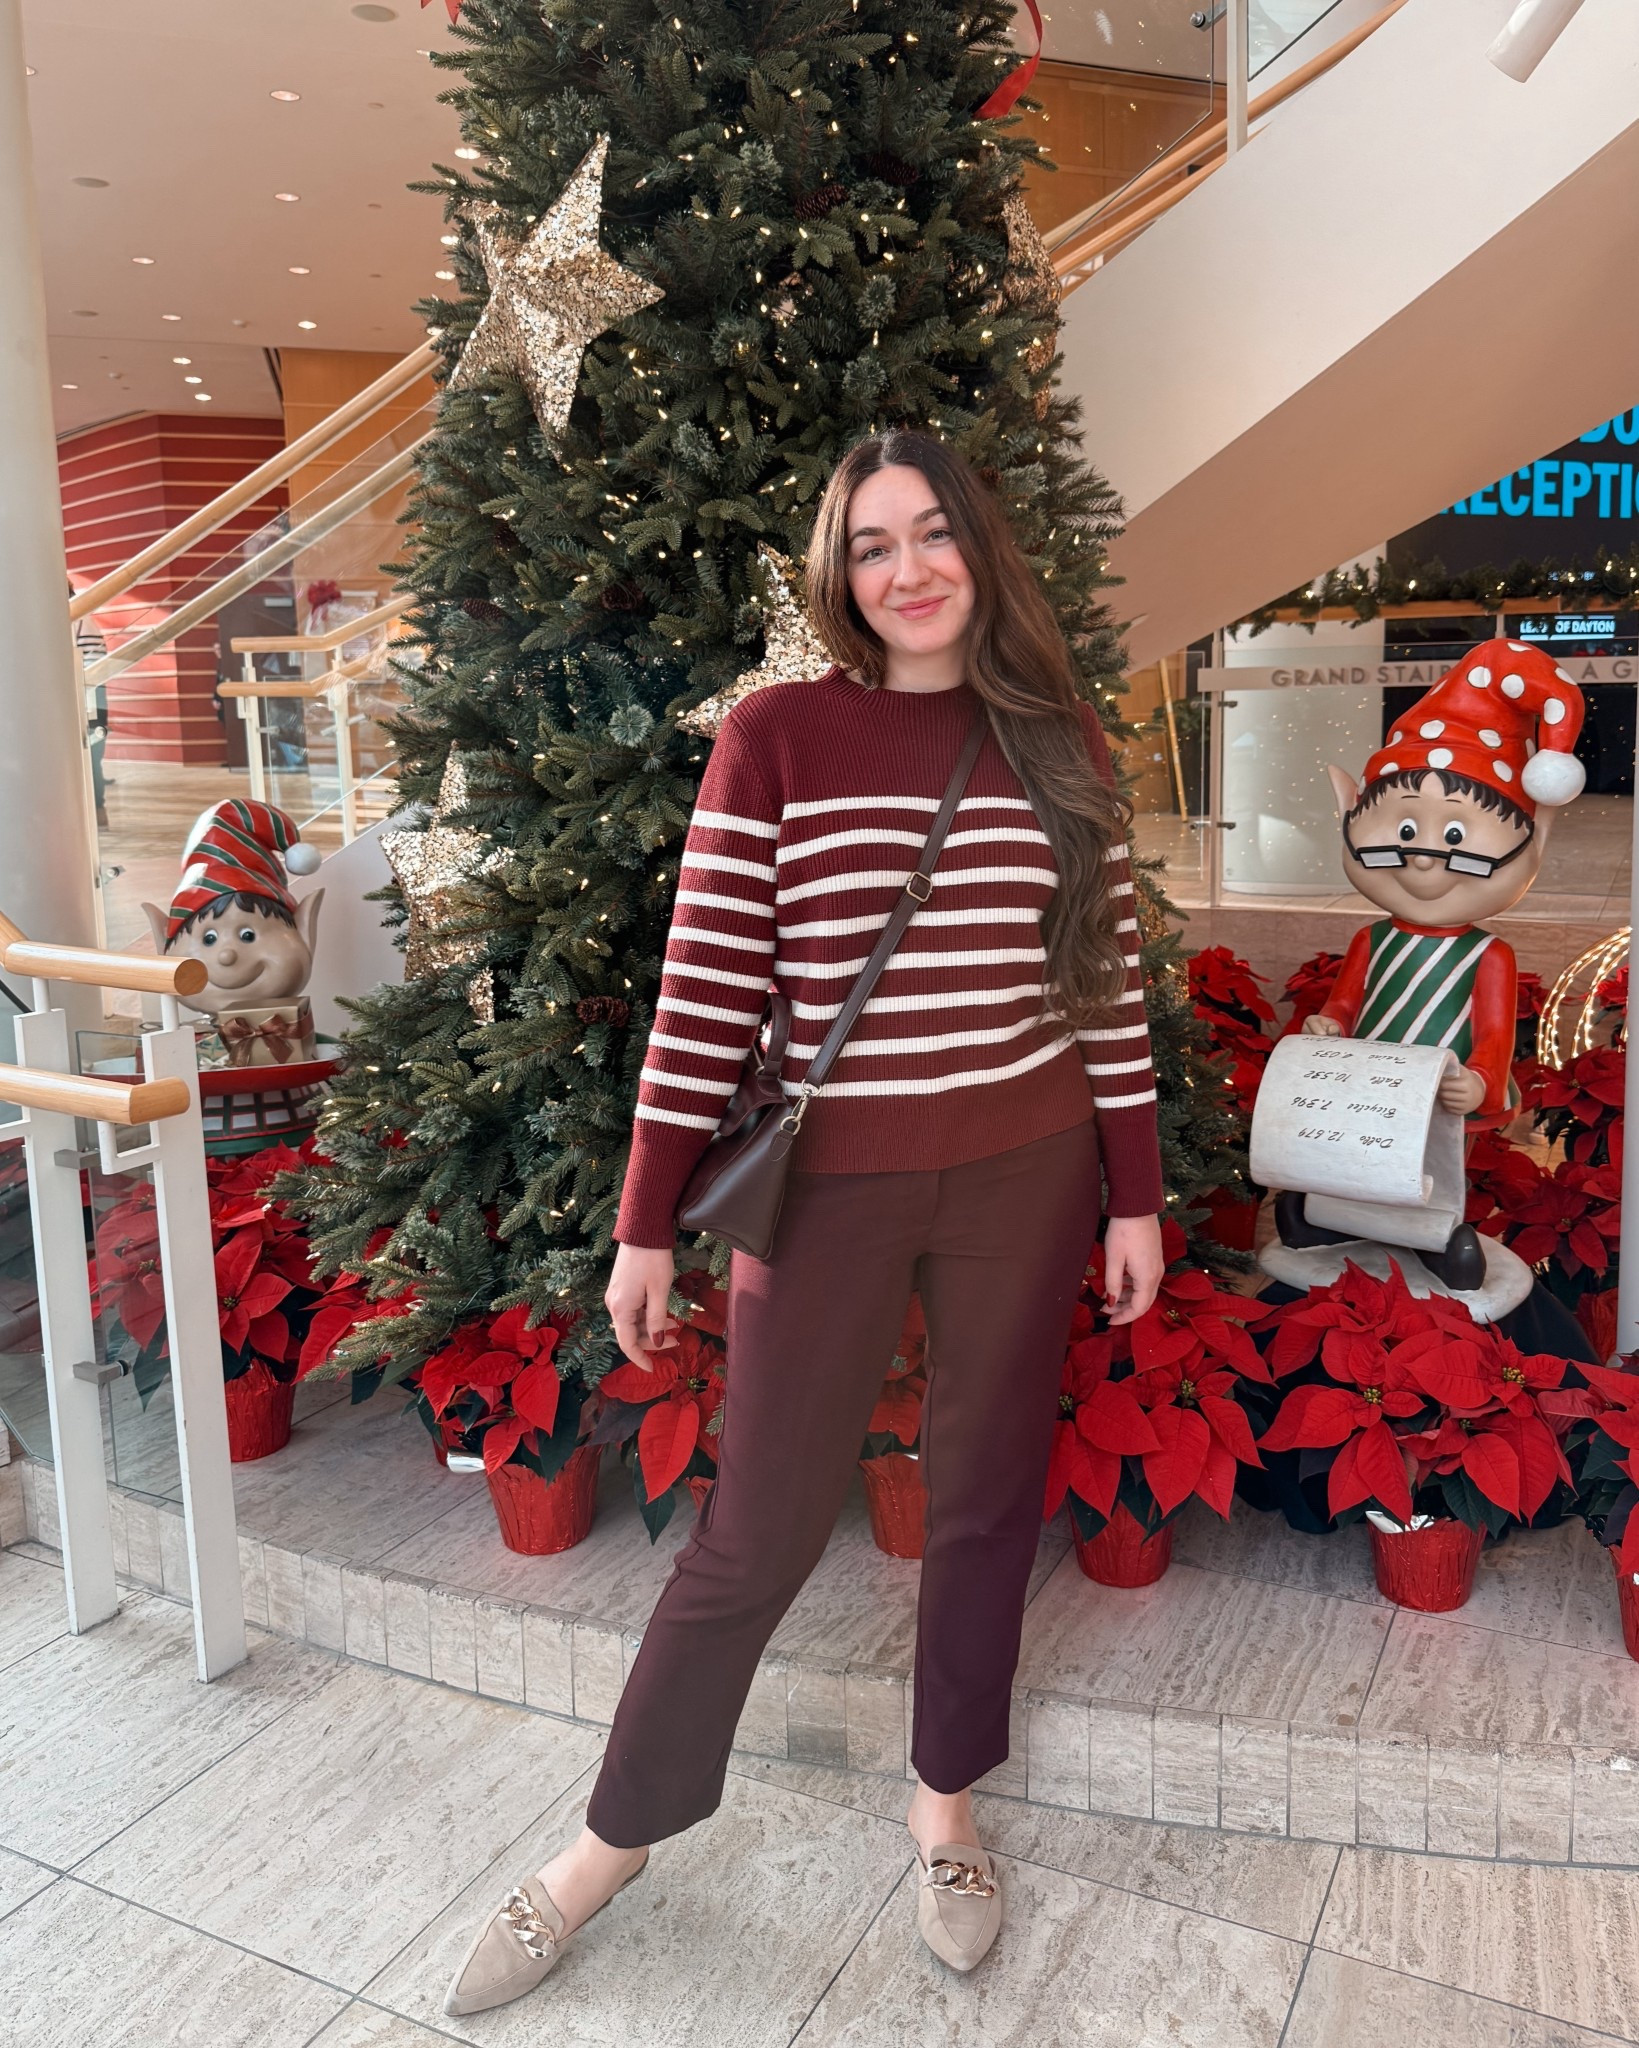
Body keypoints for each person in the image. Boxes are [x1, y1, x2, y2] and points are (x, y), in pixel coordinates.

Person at [443, 430, 1166, 2017]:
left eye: (931, 535)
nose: (906, 571)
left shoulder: (1064, 743)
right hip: (828, 1185)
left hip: (1028, 1171)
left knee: (981, 1500)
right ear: (843, 578)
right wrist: (645, 1224)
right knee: (755, 1526)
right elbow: (706, 996)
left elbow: (1103, 987)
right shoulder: (775, 739)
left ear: (981, 546)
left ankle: (948, 1808)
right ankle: (608, 1843)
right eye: (870, 548)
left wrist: (1137, 1192)